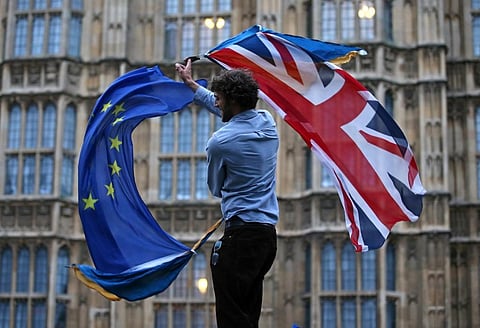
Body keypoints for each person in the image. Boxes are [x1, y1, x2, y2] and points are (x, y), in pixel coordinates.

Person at [176, 59, 279, 328]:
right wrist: (193, 87)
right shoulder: (268, 123)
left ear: (231, 101)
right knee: (248, 316)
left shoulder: (219, 142)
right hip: (266, 238)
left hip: (240, 236)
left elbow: (215, 188)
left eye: (219, 99)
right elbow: (232, 112)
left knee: (232, 319)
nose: (216, 103)